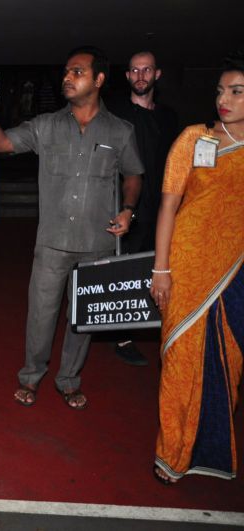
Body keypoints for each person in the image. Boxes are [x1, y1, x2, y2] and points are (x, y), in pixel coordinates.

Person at [0, 46, 143, 409]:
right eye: (66, 72)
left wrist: (128, 210)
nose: (67, 77)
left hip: (97, 242)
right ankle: (31, 377)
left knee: (82, 319)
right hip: (51, 242)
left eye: (77, 72)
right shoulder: (46, 125)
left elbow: (133, 174)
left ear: (99, 79)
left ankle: (68, 379)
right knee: (41, 314)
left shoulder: (120, 130)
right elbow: (0, 144)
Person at [151, 52, 244, 485]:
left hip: (236, 272)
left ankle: (209, 450)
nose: (224, 100)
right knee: (180, 359)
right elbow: (168, 207)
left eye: (237, 92)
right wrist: (161, 269)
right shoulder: (194, 138)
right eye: (221, 91)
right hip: (186, 266)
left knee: (230, 362)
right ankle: (171, 453)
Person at [109, 51, 179, 366]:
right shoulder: (115, 113)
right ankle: (122, 335)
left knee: (156, 265)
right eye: (135, 70)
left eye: (146, 70)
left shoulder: (168, 117)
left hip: (160, 205)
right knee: (123, 266)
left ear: (157, 74)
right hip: (125, 202)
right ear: (127, 75)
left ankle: (154, 324)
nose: (140, 76)